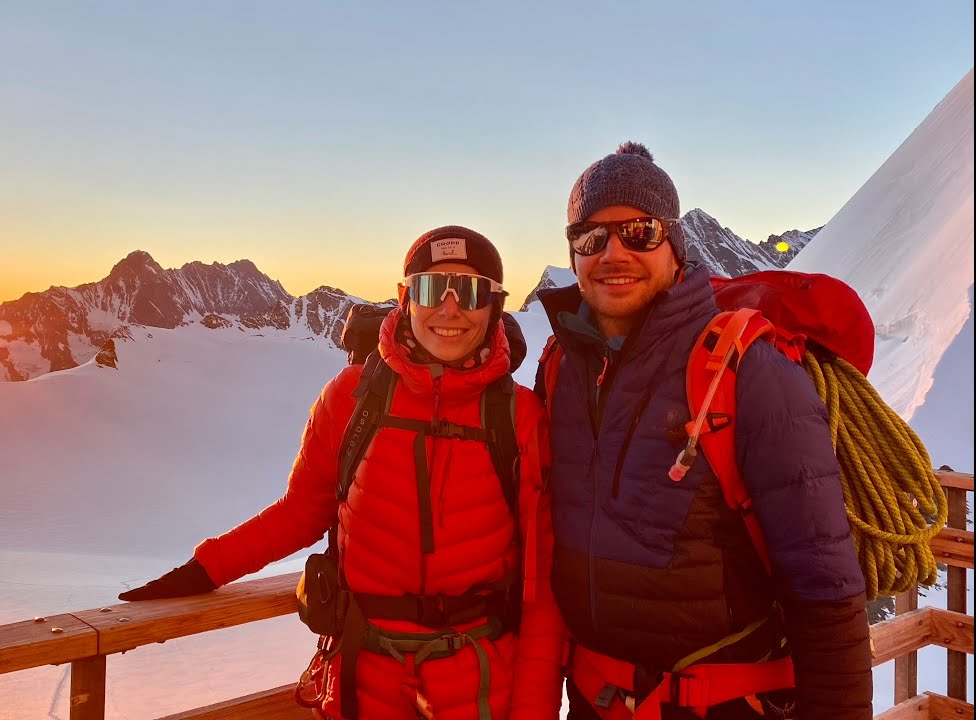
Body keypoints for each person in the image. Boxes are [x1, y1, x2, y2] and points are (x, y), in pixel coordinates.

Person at [121, 226, 565, 720]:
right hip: (364, 677)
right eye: (431, 288)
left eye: (473, 291)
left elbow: (541, 588)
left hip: (481, 684)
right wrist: (204, 569)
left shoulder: (519, 417)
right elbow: (301, 512)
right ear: (404, 298)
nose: (450, 308)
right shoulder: (353, 397)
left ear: (496, 306)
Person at [535, 143, 872, 720]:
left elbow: (824, 584)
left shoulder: (748, 370)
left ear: (675, 246)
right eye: (591, 237)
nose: (613, 252)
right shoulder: (561, 367)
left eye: (638, 231)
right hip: (594, 699)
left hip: (721, 706)